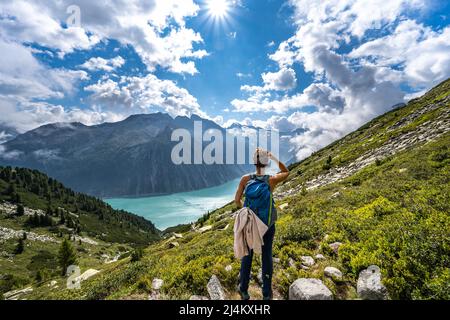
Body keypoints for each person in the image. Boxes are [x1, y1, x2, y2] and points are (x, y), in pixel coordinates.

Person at [234, 148, 289, 300]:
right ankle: (266, 294)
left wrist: (246, 211)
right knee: (266, 256)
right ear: (266, 163)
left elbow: (237, 200)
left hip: (250, 225)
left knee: (247, 255)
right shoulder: (271, 180)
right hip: (267, 226)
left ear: (254, 162)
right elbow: (286, 171)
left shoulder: (245, 179)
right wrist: (274, 158)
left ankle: (244, 290)